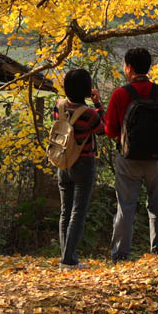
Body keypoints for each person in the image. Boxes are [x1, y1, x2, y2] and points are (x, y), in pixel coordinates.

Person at [105, 47, 158, 262]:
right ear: (148, 67)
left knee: (125, 206)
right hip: (156, 160)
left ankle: (120, 256)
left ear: (128, 68)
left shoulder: (120, 94)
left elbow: (110, 131)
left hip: (128, 160)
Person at [54, 68, 105, 271]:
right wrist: (98, 104)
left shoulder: (59, 106)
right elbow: (104, 129)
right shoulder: (89, 114)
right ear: (86, 89)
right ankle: (69, 261)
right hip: (83, 164)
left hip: (63, 162)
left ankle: (66, 257)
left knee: (65, 211)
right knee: (78, 211)